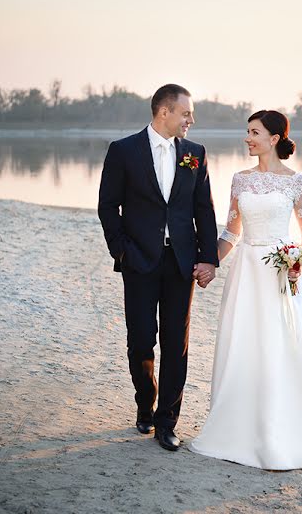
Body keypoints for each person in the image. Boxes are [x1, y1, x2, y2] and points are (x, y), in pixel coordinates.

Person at [190, 110, 302, 469]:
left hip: (282, 272)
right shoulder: (240, 180)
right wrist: (211, 263)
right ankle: (242, 428)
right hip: (247, 274)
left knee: (285, 346)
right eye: (247, 132)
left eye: (254, 132)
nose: (248, 138)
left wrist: (298, 259)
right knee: (247, 344)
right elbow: (231, 232)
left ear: (274, 139)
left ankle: (294, 432)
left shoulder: (296, 182)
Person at [97, 83, 219, 451]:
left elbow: (204, 209)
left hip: (181, 262)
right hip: (139, 261)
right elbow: (108, 206)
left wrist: (208, 258)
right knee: (140, 340)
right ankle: (144, 403)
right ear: (164, 112)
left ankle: (167, 421)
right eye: (186, 113)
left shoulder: (195, 154)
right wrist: (122, 251)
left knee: (176, 344)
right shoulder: (123, 151)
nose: (191, 120)